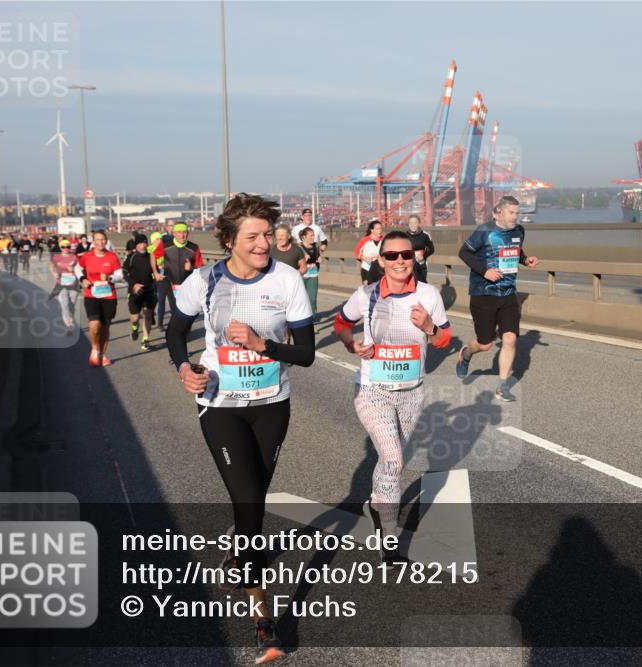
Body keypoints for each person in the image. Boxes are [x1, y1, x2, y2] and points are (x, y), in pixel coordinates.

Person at [166, 193, 315, 664]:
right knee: (248, 502)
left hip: (272, 406)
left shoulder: (287, 279)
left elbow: (306, 353)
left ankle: (237, 555)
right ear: (228, 240)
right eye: (252, 236)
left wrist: (261, 344)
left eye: (268, 234)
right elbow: (176, 329)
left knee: (254, 501)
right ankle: (264, 623)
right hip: (220, 404)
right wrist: (182, 366)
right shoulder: (204, 279)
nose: (264, 243)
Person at [334, 230, 452, 564]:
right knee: (394, 460)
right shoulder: (366, 295)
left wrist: (430, 327)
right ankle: (390, 542)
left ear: (415, 256)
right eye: (391, 255)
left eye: (405, 254)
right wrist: (351, 344)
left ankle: (376, 504)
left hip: (412, 392)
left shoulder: (429, 295)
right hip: (373, 391)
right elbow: (341, 324)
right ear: (381, 260)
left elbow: (445, 339)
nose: (399, 260)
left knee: (390, 462)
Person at [454, 195, 539, 401]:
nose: (515, 217)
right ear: (499, 212)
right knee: (486, 344)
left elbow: (514, 251)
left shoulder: (519, 231)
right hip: (483, 293)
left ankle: (502, 387)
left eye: (517, 213)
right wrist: (485, 271)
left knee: (510, 339)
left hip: (508, 293)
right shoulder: (484, 231)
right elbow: (464, 253)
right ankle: (467, 353)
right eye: (511, 212)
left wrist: (525, 260)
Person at [75, 229, 124, 366]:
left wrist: (110, 277)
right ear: (93, 242)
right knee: (95, 324)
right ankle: (95, 348)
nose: (100, 242)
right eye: (97, 239)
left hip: (109, 296)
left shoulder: (112, 257)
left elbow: (120, 275)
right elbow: (77, 268)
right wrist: (83, 278)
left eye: (103, 239)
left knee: (105, 327)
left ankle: (102, 355)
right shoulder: (87, 256)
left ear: (106, 241)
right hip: (92, 294)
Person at [161, 222, 203, 319]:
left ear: (188, 233)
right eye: (179, 232)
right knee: (175, 310)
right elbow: (152, 255)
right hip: (170, 283)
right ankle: (174, 332)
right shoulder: (165, 246)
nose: (182, 235)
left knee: (186, 311)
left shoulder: (194, 248)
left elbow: (200, 268)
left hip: (187, 285)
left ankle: (183, 332)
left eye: (185, 232)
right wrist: (156, 271)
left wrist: (191, 268)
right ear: (174, 233)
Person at [123, 233, 156, 351]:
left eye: (145, 242)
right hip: (134, 292)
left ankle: (145, 339)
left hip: (149, 291)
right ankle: (134, 328)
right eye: (141, 243)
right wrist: (133, 285)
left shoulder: (151, 256)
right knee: (135, 317)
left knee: (148, 314)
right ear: (136, 245)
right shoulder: (131, 257)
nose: (143, 245)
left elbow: (156, 271)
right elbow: (125, 273)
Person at [48, 238, 80, 332]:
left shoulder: (75, 257)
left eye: (68, 246)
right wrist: (54, 273)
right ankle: (68, 324)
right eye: (63, 247)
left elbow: (80, 270)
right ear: (60, 248)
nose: (66, 248)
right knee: (64, 304)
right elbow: (51, 267)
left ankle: (71, 320)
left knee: (72, 305)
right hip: (61, 284)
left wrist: (73, 270)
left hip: (74, 284)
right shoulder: (56, 257)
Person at [148, 231, 169, 330]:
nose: (159, 241)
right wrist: (156, 267)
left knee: (161, 300)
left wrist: (165, 265)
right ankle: (150, 314)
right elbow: (148, 266)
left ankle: (160, 323)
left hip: (162, 279)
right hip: (151, 279)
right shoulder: (149, 251)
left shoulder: (163, 249)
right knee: (154, 299)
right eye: (156, 239)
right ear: (152, 241)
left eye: (160, 239)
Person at [407, 214, 435, 283]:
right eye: (411, 223)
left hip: (421, 263)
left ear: (419, 223)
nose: (413, 225)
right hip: (409, 263)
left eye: (415, 223)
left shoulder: (425, 235)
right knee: (410, 283)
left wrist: (423, 256)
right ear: (408, 224)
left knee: (421, 282)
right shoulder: (405, 235)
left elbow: (431, 249)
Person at [299, 227, 321, 315]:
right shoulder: (299, 248)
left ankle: (311, 320)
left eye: (313, 235)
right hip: (301, 276)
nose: (313, 237)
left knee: (312, 299)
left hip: (313, 275)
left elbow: (317, 256)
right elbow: (293, 261)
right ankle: (300, 317)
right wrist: (303, 259)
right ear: (304, 237)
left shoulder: (315, 246)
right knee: (300, 299)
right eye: (311, 236)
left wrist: (319, 258)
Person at [358, 220, 384, 285]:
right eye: (377, 229)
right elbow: (356, 252)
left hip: (379, 269)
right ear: (372, 230)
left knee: (379, 290)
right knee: (367, 290)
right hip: (367, 268)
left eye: (380, 228)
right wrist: (364, 258)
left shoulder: (384, 240)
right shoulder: (365, 240)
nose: (380, 231)